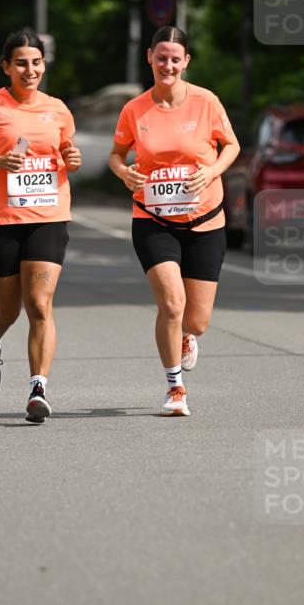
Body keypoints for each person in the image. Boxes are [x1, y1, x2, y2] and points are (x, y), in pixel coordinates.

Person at [0, 28, 81, 423]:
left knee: (40, 305)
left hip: (48, 216)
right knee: (8, 311)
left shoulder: (57, 108)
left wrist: (71, 159)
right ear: (6, 66)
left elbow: (66, 153)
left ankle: (38, 388)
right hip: (0, 220)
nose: (30, 70)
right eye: (21, 63)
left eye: (36, 63)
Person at [109, 26, 240, 417]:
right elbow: (117, 155)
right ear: (149, 57)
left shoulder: (205, 102)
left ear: (186, 62)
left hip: (205, 220)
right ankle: (175, 387)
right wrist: (124, 173)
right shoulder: (135, 109)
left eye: (175, 58)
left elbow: (231, 145)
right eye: (161, 57)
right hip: (153, 218)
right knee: (170, 303)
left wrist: (213, 170)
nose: (167, 64)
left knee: (195, 320)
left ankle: (186, 337)